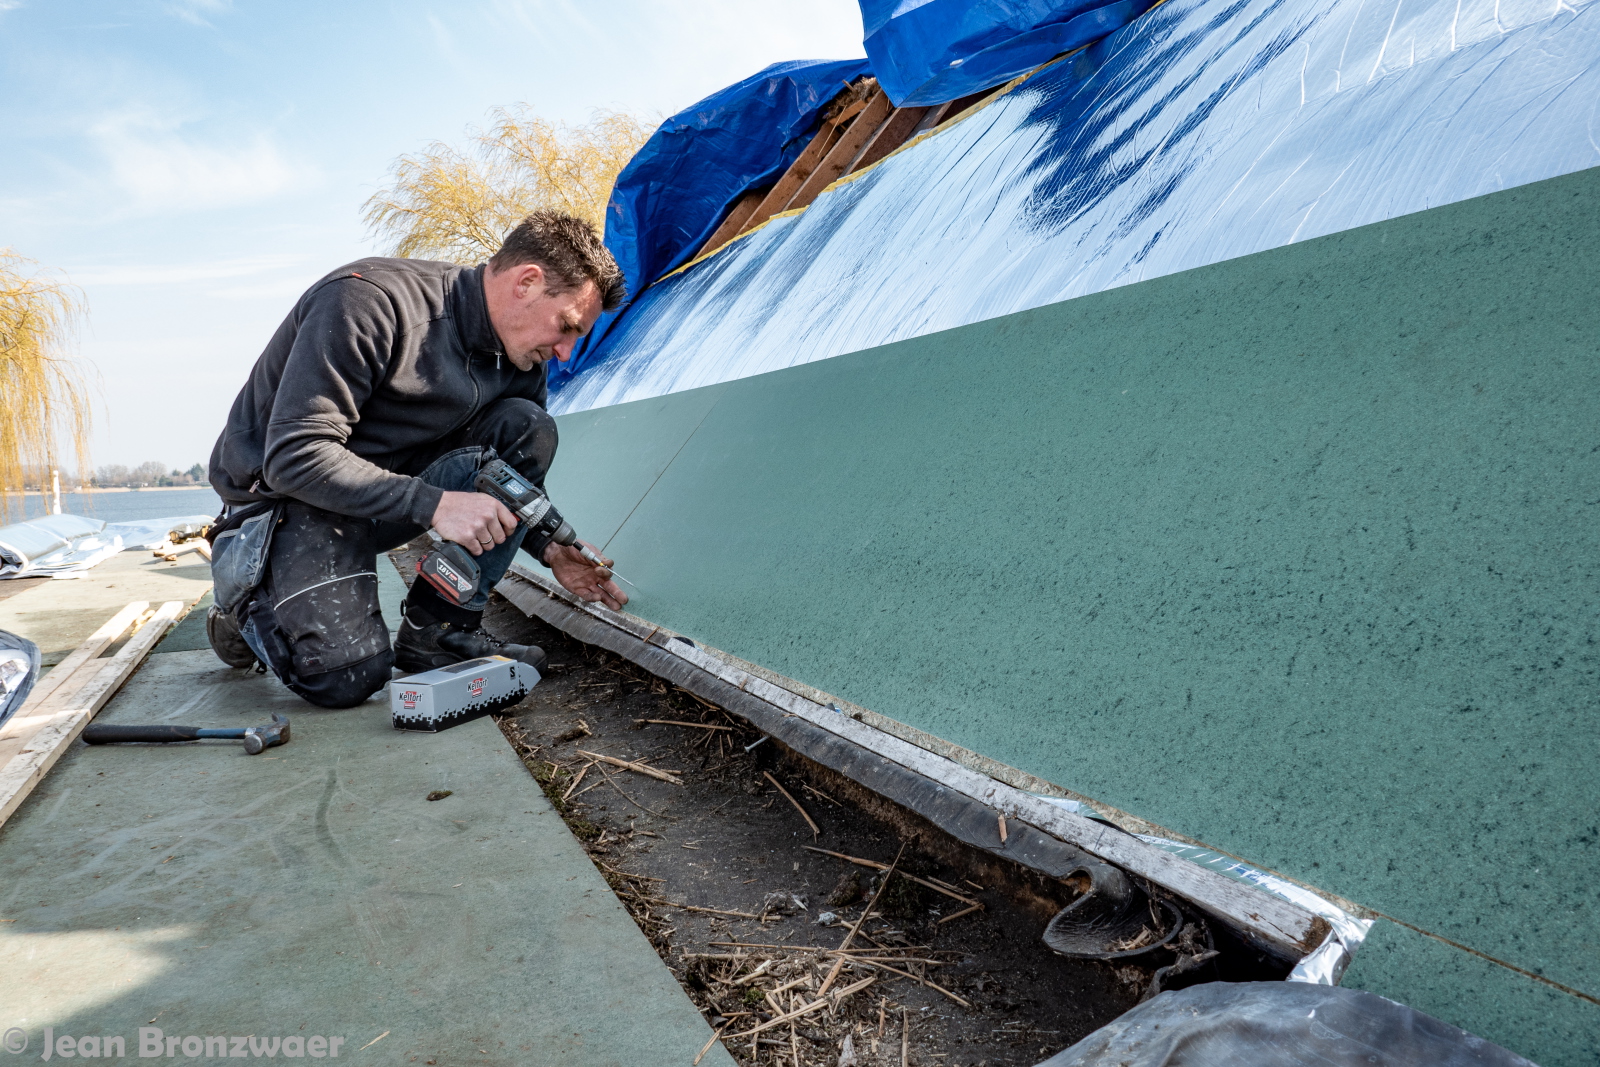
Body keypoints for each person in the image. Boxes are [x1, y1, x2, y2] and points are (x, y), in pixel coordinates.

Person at [202, 211, 628, 709]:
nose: (564, 351)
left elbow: (508, 476)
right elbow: (294, 456)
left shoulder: (518, 356)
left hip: (387, 503)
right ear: (527, 282)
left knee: (526, 425)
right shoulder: (368, 301)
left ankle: (439, 631)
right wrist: (436, 504)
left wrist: (553, 548)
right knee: (346, 677)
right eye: (567, 327)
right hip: (287, 503)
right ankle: (242, 605)